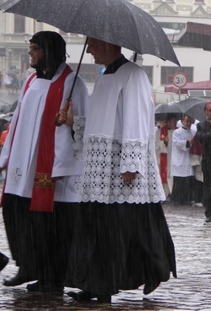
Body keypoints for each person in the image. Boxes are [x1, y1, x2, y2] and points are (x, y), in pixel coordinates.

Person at [65, 37, 176, 303]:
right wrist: (74, 121)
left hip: (122, 167)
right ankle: (96, 284)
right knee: (99, 227)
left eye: (91, 44)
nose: (88, 49)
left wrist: (131, 163)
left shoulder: (133, 75)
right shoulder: (104, 76)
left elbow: (136, 119)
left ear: (107, 43)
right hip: (100, 168)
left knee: (128, 227)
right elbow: (99, 119)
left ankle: (152, 269)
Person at [0, 31, 88, 293]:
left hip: (51, 165)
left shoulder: (73, 83)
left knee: (48, 224)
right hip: (21, 163)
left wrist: (71, 121)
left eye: (36, 48)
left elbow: (85, 125)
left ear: (49, 51)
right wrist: (6, 156)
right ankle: (28, 264)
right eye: (30, 48)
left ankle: (51, 277)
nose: (31, 53)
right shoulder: (29, 81)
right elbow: (16, 122)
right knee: (15, 211)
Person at [171, 115, 197, 205]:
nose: (188, 123)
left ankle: (188, 198)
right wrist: (188, 142)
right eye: (187, 121)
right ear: (182, 121)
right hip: (179, 158)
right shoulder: (177, 132)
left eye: (190, 121)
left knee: (188, 180)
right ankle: (178, 198)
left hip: (189, 159)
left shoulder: (193, 132)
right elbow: (177, 143)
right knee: (179, 180)